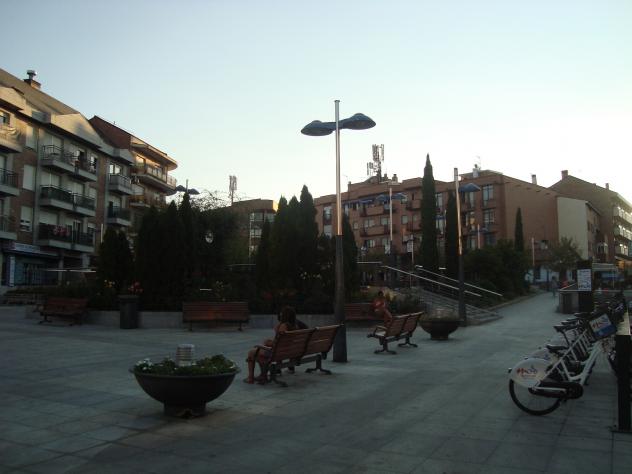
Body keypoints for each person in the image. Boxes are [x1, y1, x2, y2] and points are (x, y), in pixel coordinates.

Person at [244, 305, 298, 384]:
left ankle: (251, 378)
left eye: (282, 313)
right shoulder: (295, 326)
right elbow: (282, 342)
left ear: (285, 315)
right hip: (286, 352)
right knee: (261, 352)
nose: (280, 314)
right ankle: (263, 376)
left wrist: (269, 342)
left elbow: (277, 344)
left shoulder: (283, 326)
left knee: (252, 353)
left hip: (277, 353)